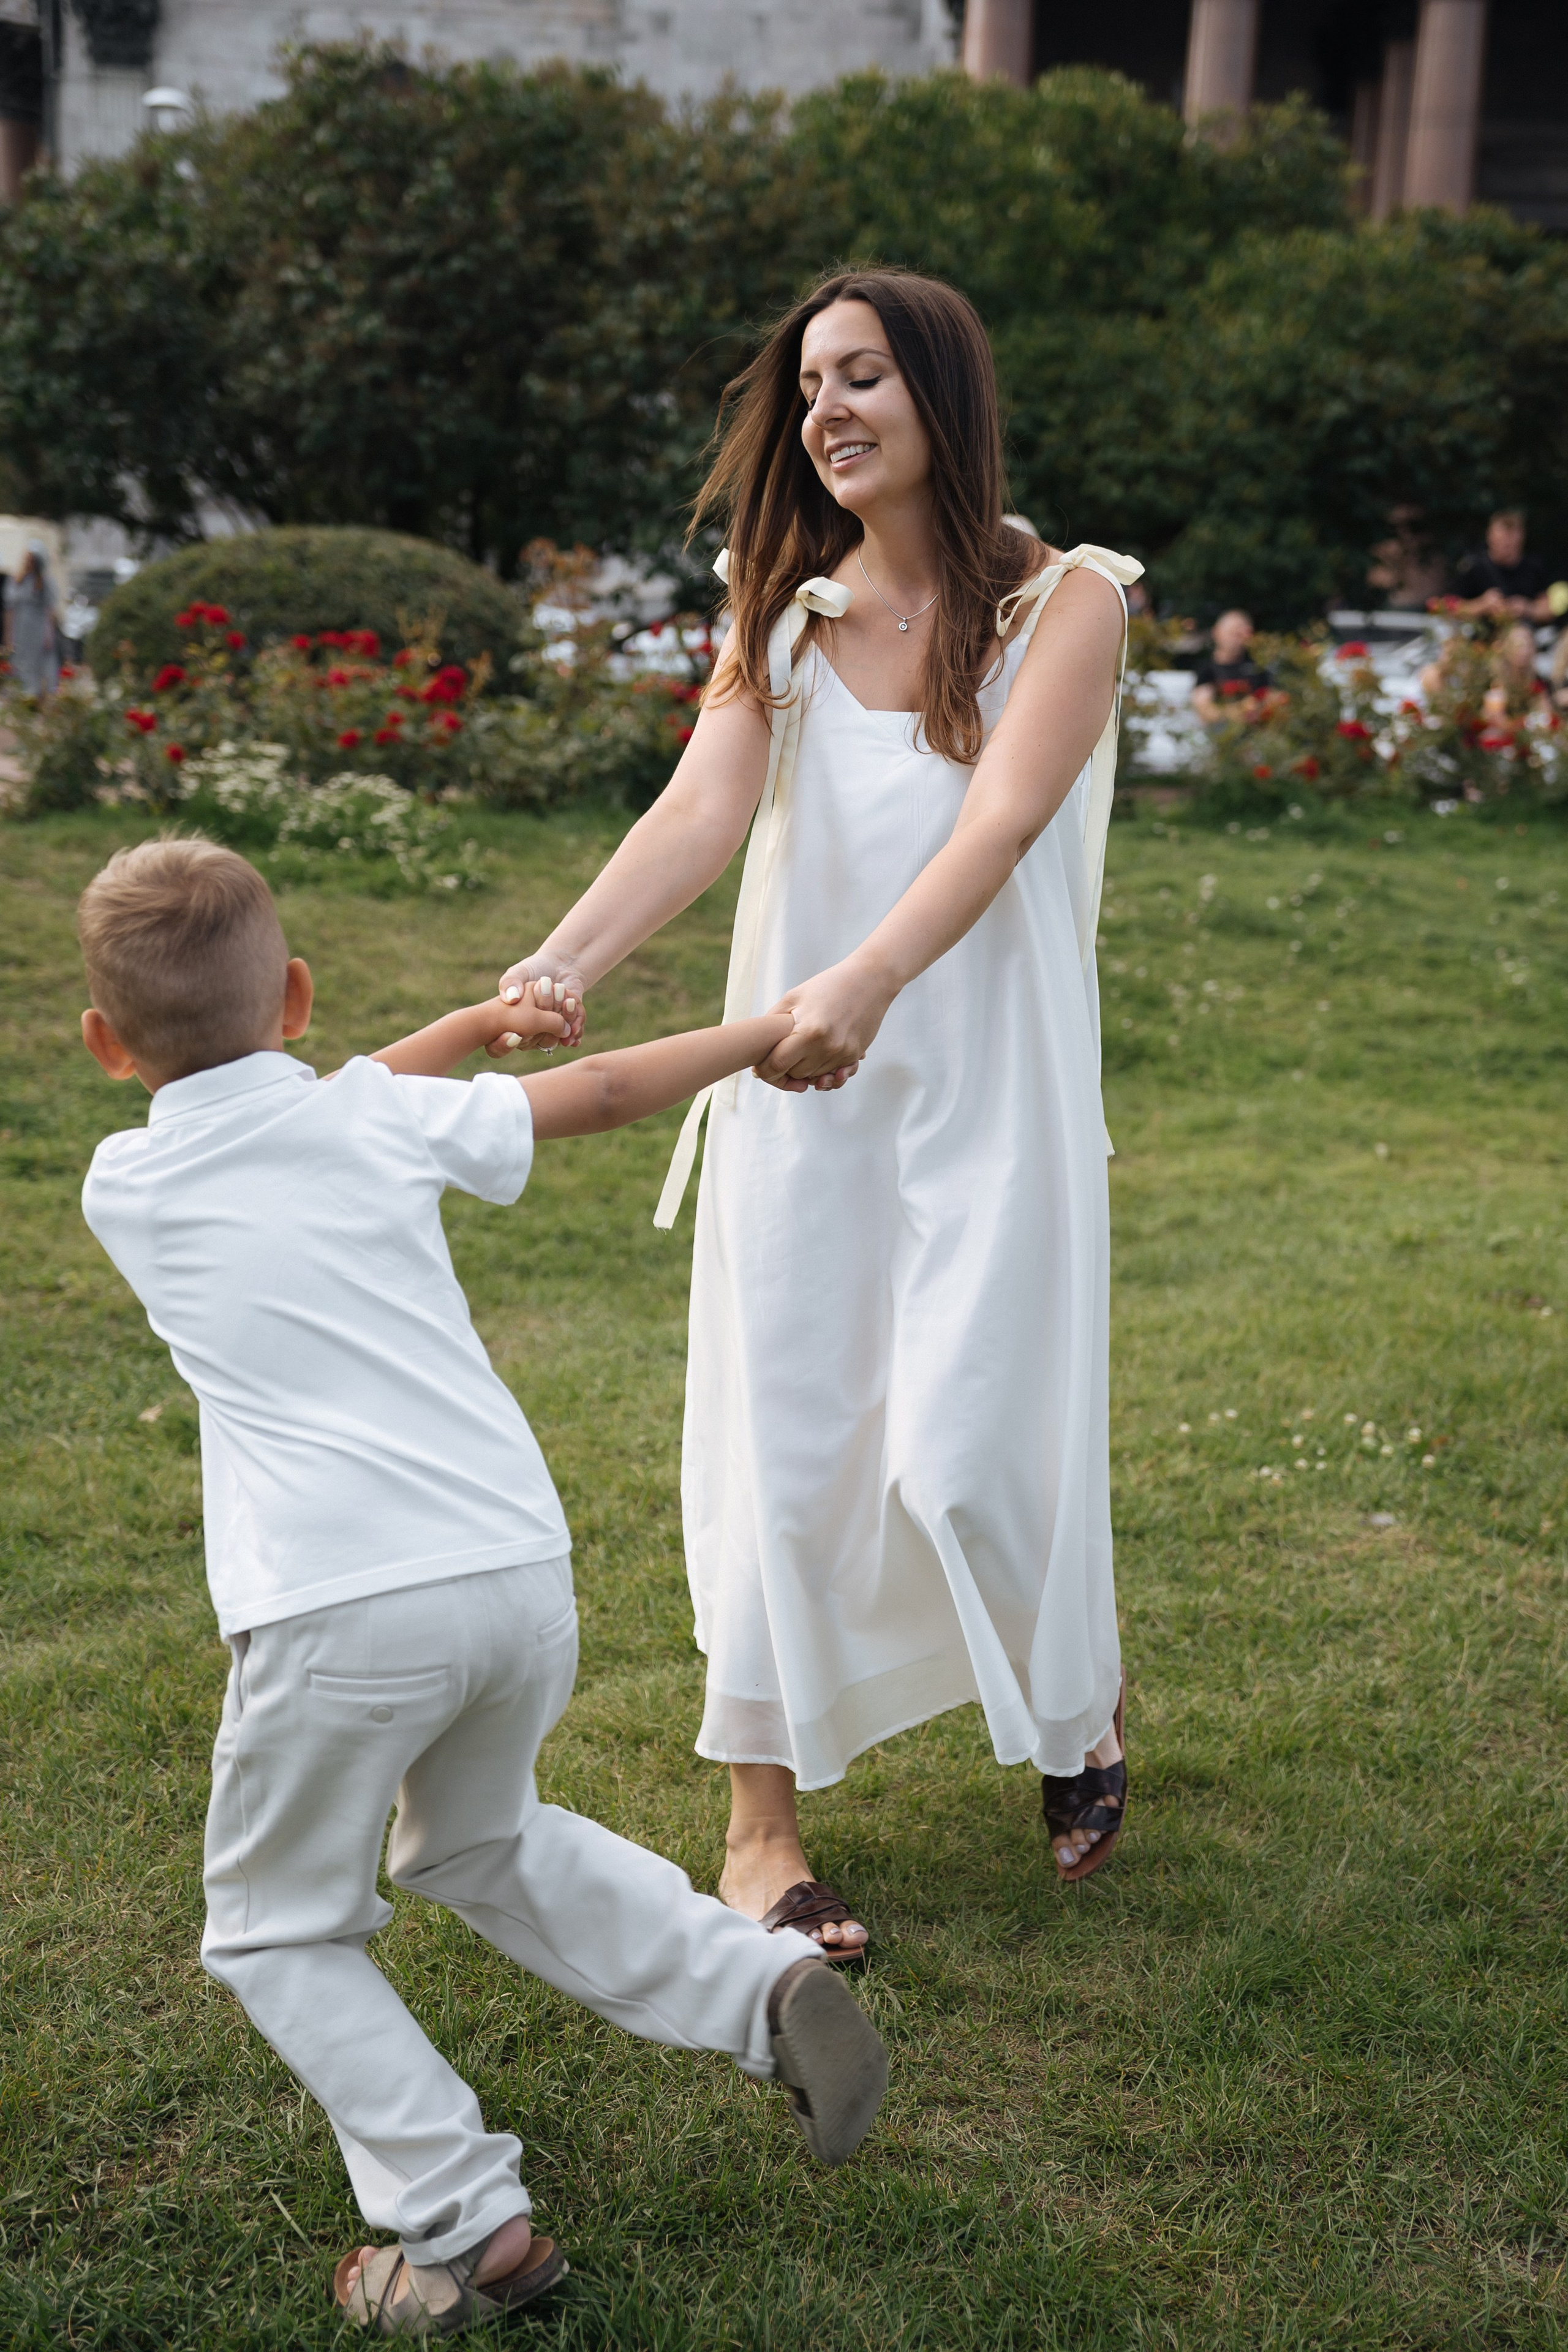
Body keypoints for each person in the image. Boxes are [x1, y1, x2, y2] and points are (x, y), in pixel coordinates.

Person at [77, 837, 889, 2337]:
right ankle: (752, 1990)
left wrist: (445, 1033)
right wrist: (769, 1025)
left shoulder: (125, 1182)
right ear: (298, 996)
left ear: (105, 1042)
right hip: (514, 1571)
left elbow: (288, 1109)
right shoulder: (368, 1122)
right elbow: (596, 1091)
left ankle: (466, 2223)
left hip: (337, 1608)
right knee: (475, 1834)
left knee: (277, 1928)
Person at [496, 267, 1136, 1957]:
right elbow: (703, 806)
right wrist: (562, 960)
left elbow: (999, 821)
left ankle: (1080, 1698)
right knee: (785, 1451)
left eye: (862, 376)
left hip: (982, 1079)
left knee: (976, 1454)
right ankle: (759, 1833)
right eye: (806, 388)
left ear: (942, 394)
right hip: (797, 1094)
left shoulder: (1070, 602)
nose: (826, 411)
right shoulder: (781, 606)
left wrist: (870, 981)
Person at [1453, 510, 1555, 622]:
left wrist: (1527, 608)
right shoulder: (1472, 567)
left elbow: (1548, 610)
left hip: (1526, 630)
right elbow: (1452, 608)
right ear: (1490, 538)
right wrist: (1482, 605)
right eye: (1501, 540)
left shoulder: (1534, 567)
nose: (1506, 546)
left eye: (1511, 542)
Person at [1190, 609, 1273, 725]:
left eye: (1240, 634)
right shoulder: (1207, 669)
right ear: (1217, 632)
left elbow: (1271, 703)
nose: (1236, 639)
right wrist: (1238, 710)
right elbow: (1205, 710)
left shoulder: (1258, 668)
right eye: (1232, 633)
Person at [3, 539, 60, 695]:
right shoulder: (17, 580)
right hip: (20, 628)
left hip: (38, 628)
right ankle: (21, 693)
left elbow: (49, 610)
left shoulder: (45, 583)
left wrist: (49, 634)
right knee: (20, 662)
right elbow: (10, 610)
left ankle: (39, 693)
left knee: (39, 663)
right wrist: (9, 637)